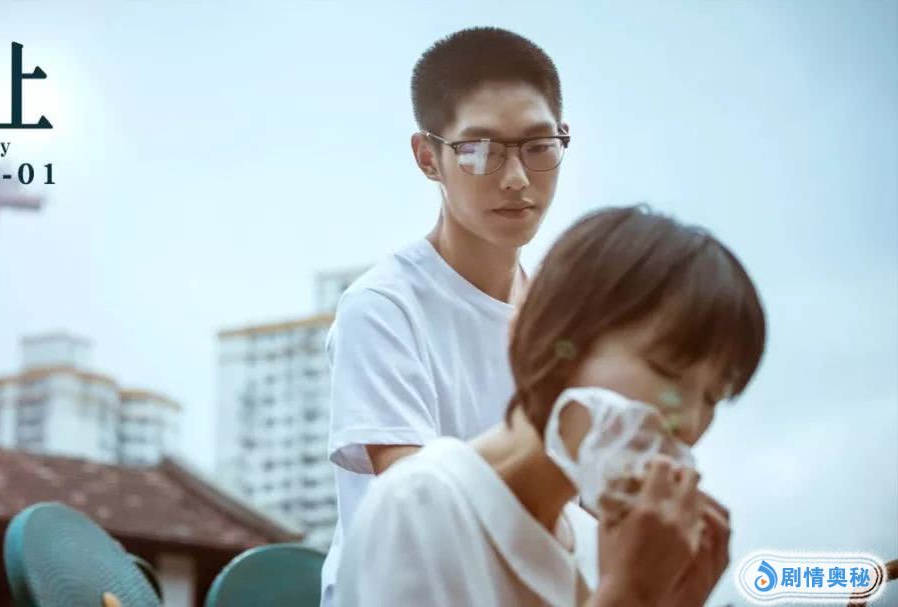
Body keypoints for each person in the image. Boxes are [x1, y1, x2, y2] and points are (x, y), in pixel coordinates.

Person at [335, 205, 767, 607]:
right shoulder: (422, 504)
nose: (689, 423)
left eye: (713, 398)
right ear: (562, 338)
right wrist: (630, 594)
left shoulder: (602, 549)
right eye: (668, 371)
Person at [321, 26, 572, 606]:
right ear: (427, 157)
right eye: (480, 150)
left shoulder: (565, 321)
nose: (516, 177)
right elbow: (420, 513)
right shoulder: (383, 308)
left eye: (538, 146)